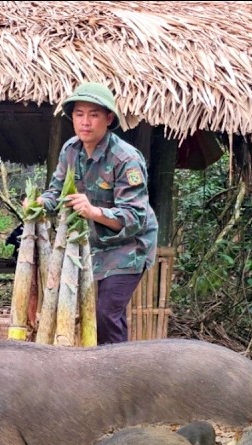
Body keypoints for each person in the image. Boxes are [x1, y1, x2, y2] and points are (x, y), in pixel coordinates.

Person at [31, 82, 158, 344]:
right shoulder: (71, 150)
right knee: (84, 312)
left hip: (129, 247)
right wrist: (41, 202)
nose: (85, 122)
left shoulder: (126, 159)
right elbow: (56, 192)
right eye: (79, 114)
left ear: (108, 118)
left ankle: (119, 376)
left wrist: (92, 211)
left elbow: (135, 218)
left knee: (106, 313)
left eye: (94, 115)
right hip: (90, 246)